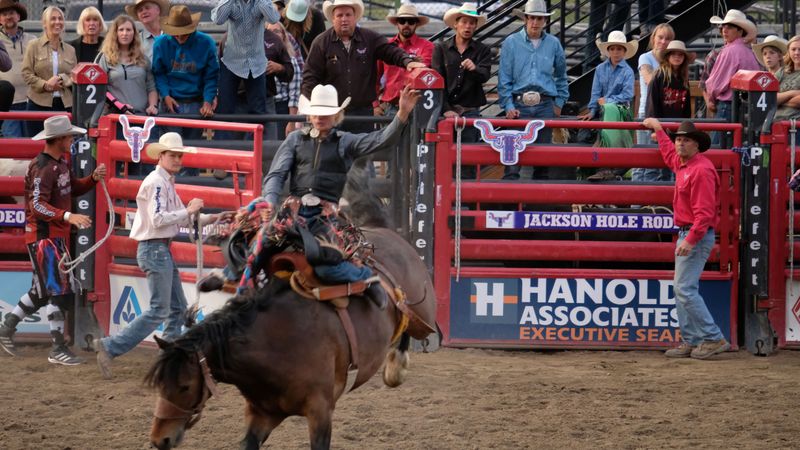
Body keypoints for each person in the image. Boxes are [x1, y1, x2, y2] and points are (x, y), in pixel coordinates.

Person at [199, 84, 420, 303]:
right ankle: (230, 274)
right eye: (316, 113)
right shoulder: (295, 140)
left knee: (325, 264)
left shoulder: (345, 142)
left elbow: (379, 140)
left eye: (325, 114)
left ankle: (366, 278)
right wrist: (268, 201)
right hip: (294, 212)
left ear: (336, 116)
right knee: (265, 241)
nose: (319, 118)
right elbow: (276, 175)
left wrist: (401, 114)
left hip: (325, 217)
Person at [93, 133, 225, 379]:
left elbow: (174, 217)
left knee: (175, 308)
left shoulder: (163, 181)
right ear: (162, 156)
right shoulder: (157, 182)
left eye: (179, 155)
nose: (177, 159)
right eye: (173, 155)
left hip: (158, 249)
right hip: (155, 249)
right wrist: (190, 210)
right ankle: (111, 346)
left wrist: (209, 218)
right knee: (161, 309)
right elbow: (159, 219)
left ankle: (169, 359)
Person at [0, 115, 107, 364]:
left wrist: (92, 179)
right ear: (58, 139)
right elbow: (37, 205)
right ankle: (57, 348)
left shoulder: (58, 164)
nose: (71, 140)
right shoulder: (44, 167)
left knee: (41, 291)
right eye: (69, 136)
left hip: (50, 236)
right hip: (45, 237)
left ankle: (7, 327)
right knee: (58, 290)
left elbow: (70, 189)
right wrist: (68, 216)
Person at [642, 118, 730, 360]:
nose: (680, 144)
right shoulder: (685, 164)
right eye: (679, 139)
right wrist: (660, 130)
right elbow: (670, 154)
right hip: (691, 233)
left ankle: (713, 338)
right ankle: (691, 340)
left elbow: (705, 214)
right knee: (683, 288)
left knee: (684, 289)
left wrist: (690, 240)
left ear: (696, 145)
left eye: (686, 140)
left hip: (695, 234)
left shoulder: (700, 170)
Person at [302, 0, 424, 133]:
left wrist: (407, 61)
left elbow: (390, 50)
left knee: (363, 152)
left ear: (355, 18)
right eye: (339, 15)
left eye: (348, 15)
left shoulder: (370, 38)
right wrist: (310, 109)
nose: (344, 19)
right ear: (332, 18)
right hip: (331, 112)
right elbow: (310, 78)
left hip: (363, 113)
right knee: (332, 151)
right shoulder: (321, 42)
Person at [497, 0, 569, 180]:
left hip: (545, 103)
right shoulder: (511, 43)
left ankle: (539, 201)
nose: (535, 22)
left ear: (544, 21)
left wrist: (559, 102)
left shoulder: (553, 44)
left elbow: (561, 75)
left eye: (539, 18)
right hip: (518, 104)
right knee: (513, 159)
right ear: (525, 19)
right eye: (532, 18)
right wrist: (508, 105)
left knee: (542, 157)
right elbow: (503, 77)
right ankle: (511, 201)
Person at [152, 4, 219, 176]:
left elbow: (211, 76)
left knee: (190, 154)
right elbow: (159, 73)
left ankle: (189, 190)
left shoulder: (206, 43)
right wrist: (165, 95)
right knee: (169, 153)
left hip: (195, 102)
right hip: (171, 102)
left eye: (184, 32)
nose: (180, 37)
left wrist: (207, 100)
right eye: (177, 33)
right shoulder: (161, 43)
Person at [432, 3, 491, 179]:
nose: (468, 26)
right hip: (446, 111)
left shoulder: (482, 50)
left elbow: (485, 75)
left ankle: (465, 202)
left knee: (468, 159)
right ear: (456, 24)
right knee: (443, 157)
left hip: (470, 110)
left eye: (472, 23)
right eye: (464, 22)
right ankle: (445, 202)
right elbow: (437, 81)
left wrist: (474, 69)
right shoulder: (441, 48)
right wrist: (446, 109)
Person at [578, 30, 636, 181]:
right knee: (583, 133)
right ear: (608, 51)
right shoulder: (600, 69)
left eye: (619, 49)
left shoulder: (628, 71)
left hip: (620, 111)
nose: (616, 52)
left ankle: (603, 167)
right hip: (602, 110)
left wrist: (608, 101)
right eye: (613, 49)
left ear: (624, 51)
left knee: (609, 113)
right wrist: (592, 111)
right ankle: (601, 167)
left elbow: (628, 95)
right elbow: (595, 92)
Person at [704, 10, 760, 145]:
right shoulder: (750, 53)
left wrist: (711, 97)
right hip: (748, 108)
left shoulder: (728, 51)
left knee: (717, 149)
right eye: (723, 26)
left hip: (727, 106)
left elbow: (715, 84)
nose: (724, 30)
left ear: (740, 31)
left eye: (729, 27)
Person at [21, 6, 76, 138]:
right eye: (53, 19)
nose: (57, 22)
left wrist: (62, 79)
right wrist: (46, 85)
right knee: (37, 147)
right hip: (38, 104)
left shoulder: (70, 50)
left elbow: (75, 76)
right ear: (44, 23)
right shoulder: (33, 45)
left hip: (64, 105)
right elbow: (26, 73)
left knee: (63, 148)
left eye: (60, 19)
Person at [375, 4, 433, 118]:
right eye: (402, 21)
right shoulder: (386, 47)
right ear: (397, 23)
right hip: (391, 106)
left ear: (416, 24)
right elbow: (374, 77)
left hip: (416, 108)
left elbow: (424, 73)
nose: (406, 25)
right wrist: (375, 104)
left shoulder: (428, 47)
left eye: (411, 21)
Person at [631, 23, 673, 182]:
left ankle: (652, 203)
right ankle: (636, 204)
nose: (663, 42)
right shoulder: (645, 57)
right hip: (647, 112)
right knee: (644, 160)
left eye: (668, 39)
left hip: (665, 113)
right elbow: (649, 80)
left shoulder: (671, 60)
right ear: (653, 38)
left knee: (660, 160)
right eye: (660, 37)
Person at [96, 15, 158, 116]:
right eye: (121, 30)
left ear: (134, 33)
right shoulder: (105, 58)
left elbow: (151, 87)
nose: (125, 33)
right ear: (115, 33)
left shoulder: (143, 59)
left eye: (129, 30)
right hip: (115, 116)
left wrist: (153, 106)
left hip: (141, 117)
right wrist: (119, 106)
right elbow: (100, 89)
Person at [0, 0, 36, 137]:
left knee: (32, 146)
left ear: (19, 16)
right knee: (13, 152)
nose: (8, 17)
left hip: (30, 102)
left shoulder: (32, 40)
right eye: (4, 14)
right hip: (8, 105)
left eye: (12, 13)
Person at [269, 21, 304, 138]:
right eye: (269, 31)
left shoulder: (292, 61)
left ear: (284, 36)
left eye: (277, 31)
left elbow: (294, 94)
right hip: (265, 107)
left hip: (282, 109)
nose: (273, 34)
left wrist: (291, 121)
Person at [646, 40, 692, 121]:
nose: (677, 57)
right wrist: (655, 127)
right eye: (673, 54)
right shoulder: (659, 75)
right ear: (668, 56)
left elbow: (687, 106)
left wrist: (686, 126)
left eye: (680, 54)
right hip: (661, 123)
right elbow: (652, 102)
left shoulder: (684, 78)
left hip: (679, 125)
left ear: (684, 58)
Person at [775, 35, 800, 143]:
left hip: (796, 127)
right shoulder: (781, 72)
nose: (797, 53)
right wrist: (792, 93)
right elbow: (768, 98)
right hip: (776, 125)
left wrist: (780, 100)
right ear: (788, 51)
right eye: (793, 49)